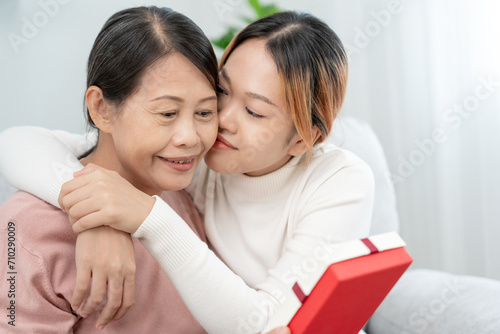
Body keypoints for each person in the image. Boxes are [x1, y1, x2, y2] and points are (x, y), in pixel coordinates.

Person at [0, 10, 374, 334]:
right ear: (102, 108)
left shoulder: (189, 181)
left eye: (204, 111)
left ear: (303, 140)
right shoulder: (27, 231)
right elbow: (17, 142)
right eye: (221, 96)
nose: (204, 132)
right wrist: (96, 212)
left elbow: (265, 324)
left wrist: (139, 216)